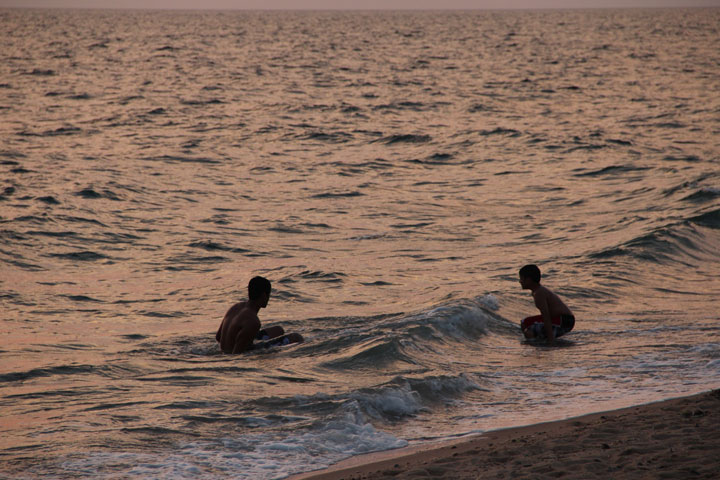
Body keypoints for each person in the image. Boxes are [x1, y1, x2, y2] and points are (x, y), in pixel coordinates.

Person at [216, 276, 303, 354]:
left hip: (228, 347)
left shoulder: (235, 307)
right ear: (264, 295)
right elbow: (237, 354)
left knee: (279, 330)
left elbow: (218, 337)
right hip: (235, 352)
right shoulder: (253, 321)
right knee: (296, 337)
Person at [518, 264, 575, 344]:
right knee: (525, 322)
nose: (520, 281)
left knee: (529, 331)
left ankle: (540, 346)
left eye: (521, 279)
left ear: (529, 279)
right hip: (561, 319)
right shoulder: (537, 291)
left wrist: (550, 340)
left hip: (564, 321)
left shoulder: (539, 293)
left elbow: (546, 316)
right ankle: (540, 340)